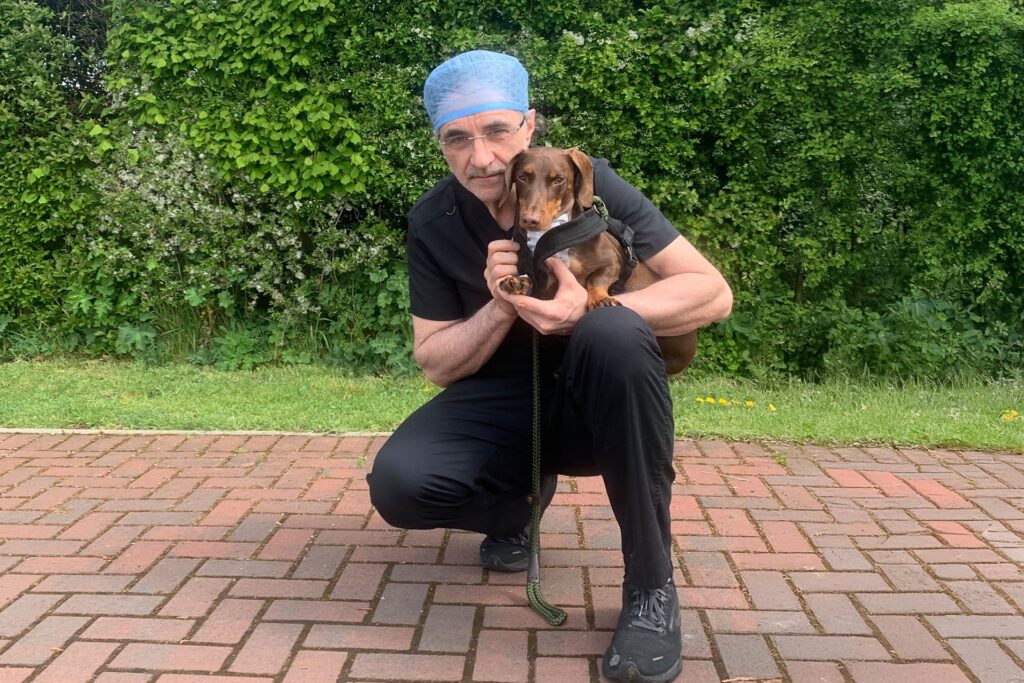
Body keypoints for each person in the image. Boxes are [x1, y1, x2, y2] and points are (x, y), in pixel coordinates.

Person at [367, 49, 732, 683]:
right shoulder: (433, 221)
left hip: (598, 394)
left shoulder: (592, 186)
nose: (481, 156)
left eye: (497, 131)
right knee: (400, 483)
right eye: (457, 138)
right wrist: (502, 303)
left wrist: (586, 315)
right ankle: (517, 505)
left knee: (616, 331)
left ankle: (650, 589)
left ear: (529, 125)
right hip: (505, 396)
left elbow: (712, 293)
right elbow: (434, 362)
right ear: (439, 145)